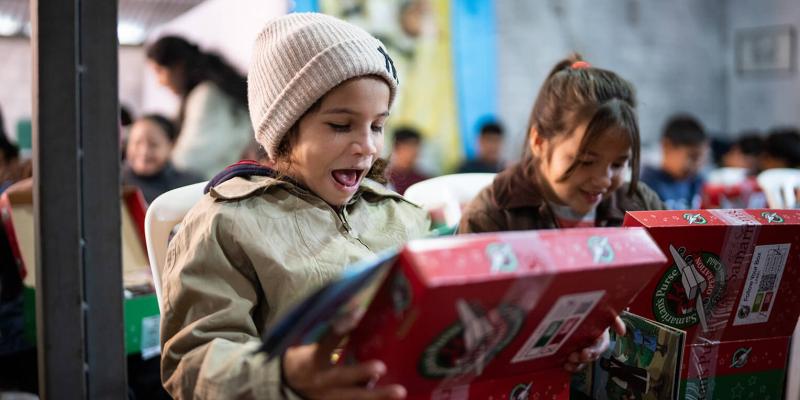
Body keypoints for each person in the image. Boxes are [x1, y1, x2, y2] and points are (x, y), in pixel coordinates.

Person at [459, 56, 664, 367]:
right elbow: (468, 329)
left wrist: (611, 331)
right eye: (585, 160)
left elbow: (663, 301)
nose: (604, 179)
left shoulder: (639, 205)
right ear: (540, 141)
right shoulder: (494, 214)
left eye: (619, 164)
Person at [146, 36, 252, 179]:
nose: (159, 82)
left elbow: (188, 159)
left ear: (178, 66)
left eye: (159, 71)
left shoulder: (206, 95)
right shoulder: (210, 92)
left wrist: (159, 153)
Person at [122, 115, 202, 203]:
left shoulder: (190, 186)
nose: (144, 152)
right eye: (137, 143)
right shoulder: (116, 182)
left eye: (153, 144)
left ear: (171, 146)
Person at [641, 114, 709, 210]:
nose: (697, 166)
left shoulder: (695, 182)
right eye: (693, 157)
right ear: (667, 146)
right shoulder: (647, 185)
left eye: (702, 159)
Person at [386, 127, 429, 194]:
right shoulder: (385, 177)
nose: (415, 152)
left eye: (417, 147)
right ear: (396, 147)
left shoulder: (423, 181)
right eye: (410, 146)